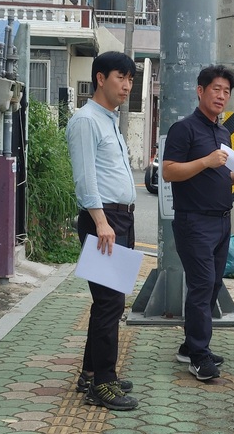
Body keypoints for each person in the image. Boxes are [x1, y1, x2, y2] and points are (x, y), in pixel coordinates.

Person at [162, 65, 234, 381]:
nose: (221, 95)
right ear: (200, 90)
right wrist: (206, 160)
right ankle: (199, 356)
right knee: (202, 286)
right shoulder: (184, 129)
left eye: (226, 91)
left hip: (220, 221)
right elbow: (169, 171)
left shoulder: (223, 131)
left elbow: (216, 174)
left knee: (213, 285)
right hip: (194, 222)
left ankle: (191, 346)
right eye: (215, 89)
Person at [66, 51, 138, 410]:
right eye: (120, 78)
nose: (126, 86)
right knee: (110, 304)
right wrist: (101, 222)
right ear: (100, 78)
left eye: (129, 79)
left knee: (109, 303)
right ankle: (103, 384)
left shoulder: (108, 118)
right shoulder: (85, 120)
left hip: (119, 220)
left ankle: (91, 373)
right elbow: (86, 178)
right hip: (104, 220)